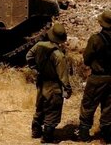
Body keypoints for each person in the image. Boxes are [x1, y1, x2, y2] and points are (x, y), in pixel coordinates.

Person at [26, 23, 72, 143]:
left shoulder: (39, 45)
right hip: (53, 86)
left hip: (41, 83)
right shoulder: (59, 55)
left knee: (40, 107)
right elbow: (63, 76)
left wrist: (35, 69)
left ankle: (35, 131)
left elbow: (28, 56)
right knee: (53, 110)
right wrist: (68, 89)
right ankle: (47, 137)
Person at [78, 10, 111, 143]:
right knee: (109, 107)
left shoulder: (96, 39)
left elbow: (86, 59)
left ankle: (84, 135)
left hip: (97, 78)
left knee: (88, 105)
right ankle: (107, 135)